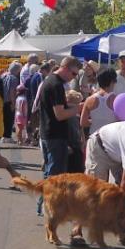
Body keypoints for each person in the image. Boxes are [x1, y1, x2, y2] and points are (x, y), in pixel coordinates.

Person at [35, 56, 83, 221]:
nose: (74, 77)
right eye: (74, 74)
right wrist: (77, 109)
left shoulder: (51, 82)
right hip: (54, 135)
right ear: (67, 68)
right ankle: (47, 207)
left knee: (51, 173)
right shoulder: (55, 85)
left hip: (49, 133)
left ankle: (44, 205)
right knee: (55, 175)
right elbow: (60, 114)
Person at [80, 67, 118, 137]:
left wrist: (95, 121)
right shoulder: (116, 100)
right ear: (113, 81)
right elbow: (120, 121)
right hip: (110, 137)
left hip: (94, 137)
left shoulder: (89, 100)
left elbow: (83, 122)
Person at [1, 61, 22, 141]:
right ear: (16, 70)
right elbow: (12, 92)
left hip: (1, 101)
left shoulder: (3, 76)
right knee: (9, 120)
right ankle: (7, 136)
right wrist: (13, 104)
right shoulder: (13, 78)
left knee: (3, 119)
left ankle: (3, 136)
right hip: (9, 101)